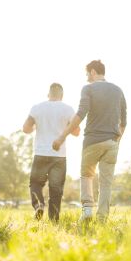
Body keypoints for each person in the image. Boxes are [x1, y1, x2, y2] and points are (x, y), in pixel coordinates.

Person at [53, 60, 127, 221]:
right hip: (112, 142)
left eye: (87, 73)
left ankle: (87, 211)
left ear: (93, 72)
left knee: (87, 175)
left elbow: (80, 113)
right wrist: (116, 142)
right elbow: (124, 122)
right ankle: (102, 219)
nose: (86, 77)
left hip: (92, 141)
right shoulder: (118, 90)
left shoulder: (88, 89)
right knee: (106, 183)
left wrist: (62, 136)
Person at [23, 83, 79, 221]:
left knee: (35, 183)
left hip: (41, 153)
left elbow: (25, 128)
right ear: (62, 95)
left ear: (48, 94)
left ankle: (39, 205)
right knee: (56, 189)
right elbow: (77, 132)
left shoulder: (37, 108)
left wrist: (37, 126)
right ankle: (53, 221)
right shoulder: (68, 109)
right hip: (59, 155)